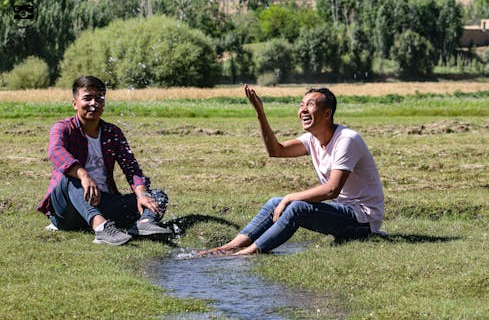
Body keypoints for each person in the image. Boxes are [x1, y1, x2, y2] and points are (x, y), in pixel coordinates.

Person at [203, 84, 385, 255]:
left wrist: (290, 197)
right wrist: (260, 112)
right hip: (341, 211)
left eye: (310, 105)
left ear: (327, 113)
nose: (303, 110)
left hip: (364, 220)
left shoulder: (347, 139)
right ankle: (230, 248)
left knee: (296, 207)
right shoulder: (312, 139)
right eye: (301, 105)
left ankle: (248, 253)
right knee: (276, 202)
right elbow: (276, 150)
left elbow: (331, 189)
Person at [37, 76, 170, 246]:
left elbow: (131, 168)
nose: (94, 103)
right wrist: (84, 175)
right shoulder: (63, 128)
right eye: (87, 98)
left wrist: (142, 195)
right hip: (68, 211)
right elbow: (56, 152)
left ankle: (144, 225)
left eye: (99, 98)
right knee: (70, 177)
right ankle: (101, 230)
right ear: (74, 103)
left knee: (157, 195)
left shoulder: (112, 133)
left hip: (103, 203)